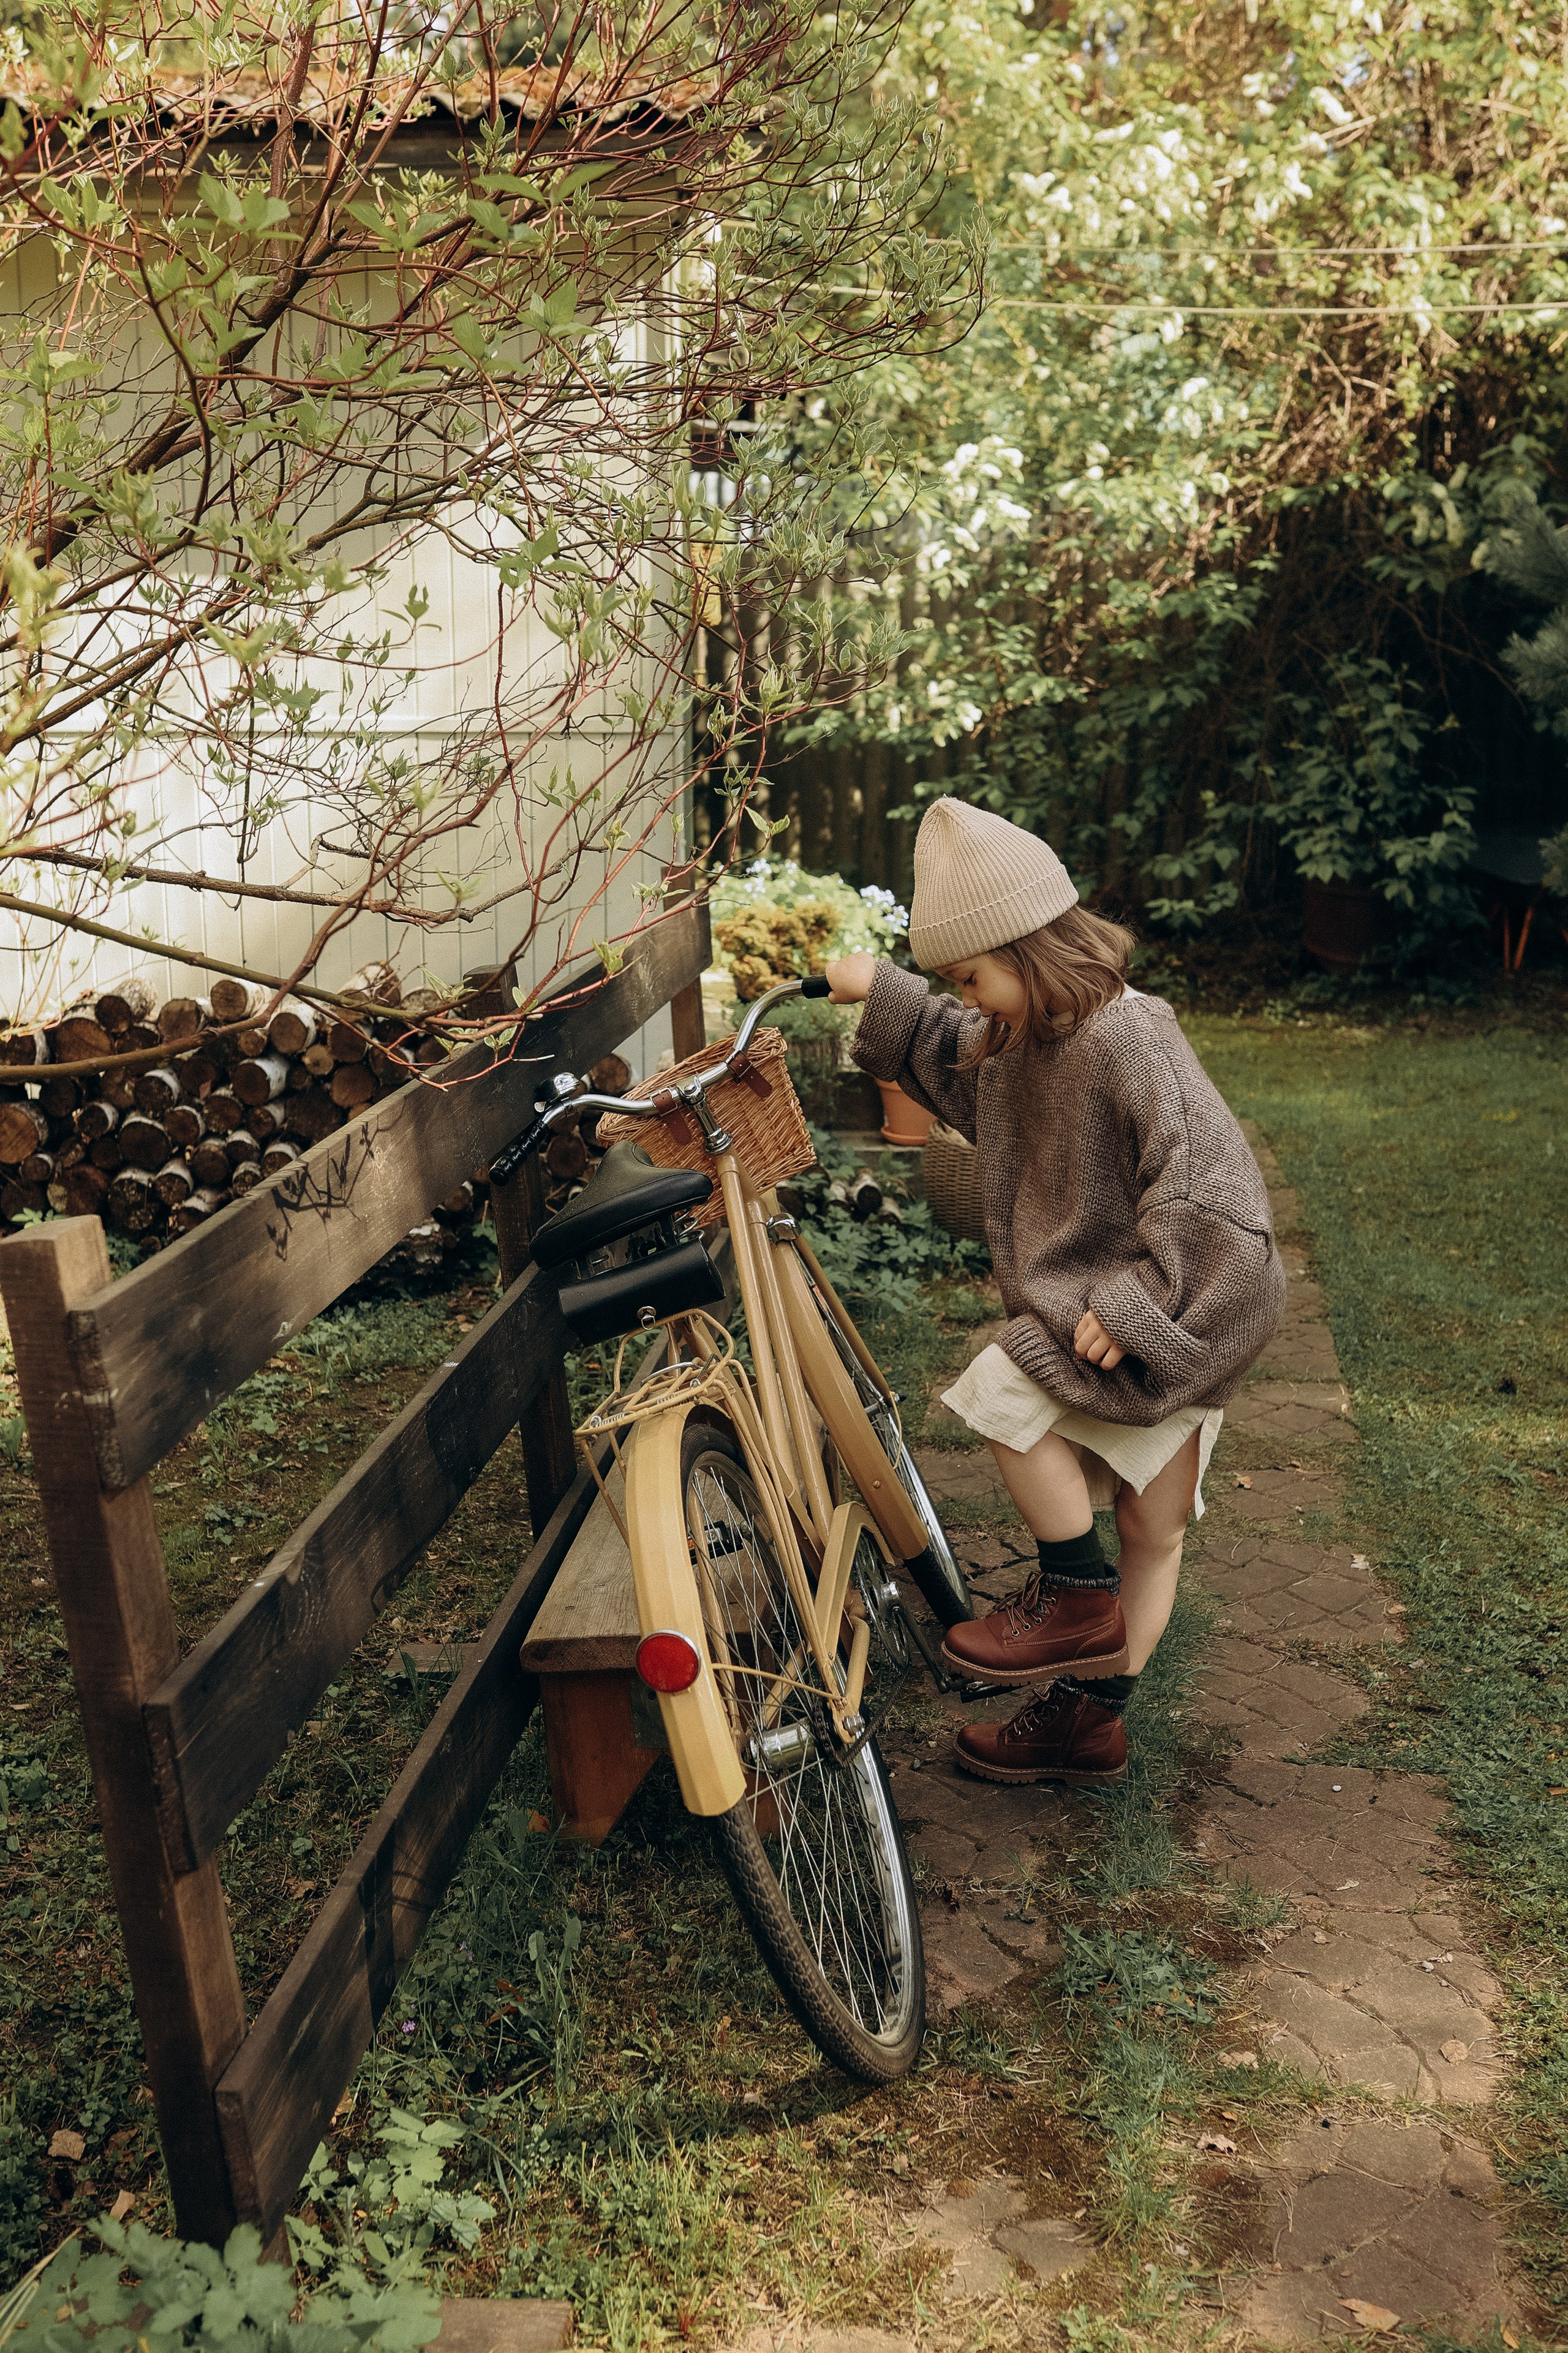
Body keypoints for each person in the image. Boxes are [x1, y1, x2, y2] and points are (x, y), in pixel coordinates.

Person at [823, 798, 1285, 1786]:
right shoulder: (1020, 1039)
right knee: (1087, 1468)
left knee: (1122, 1500)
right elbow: (953, 1054)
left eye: (974, 976)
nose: (971, 1001)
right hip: (1106, 1315)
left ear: (1031, 948)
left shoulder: (1131, 1039)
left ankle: (1078, 1623)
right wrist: (883, 990)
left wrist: (1141, 1304)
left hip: (1179, 1318)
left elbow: (1216, 1195)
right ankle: (1084, 1684)